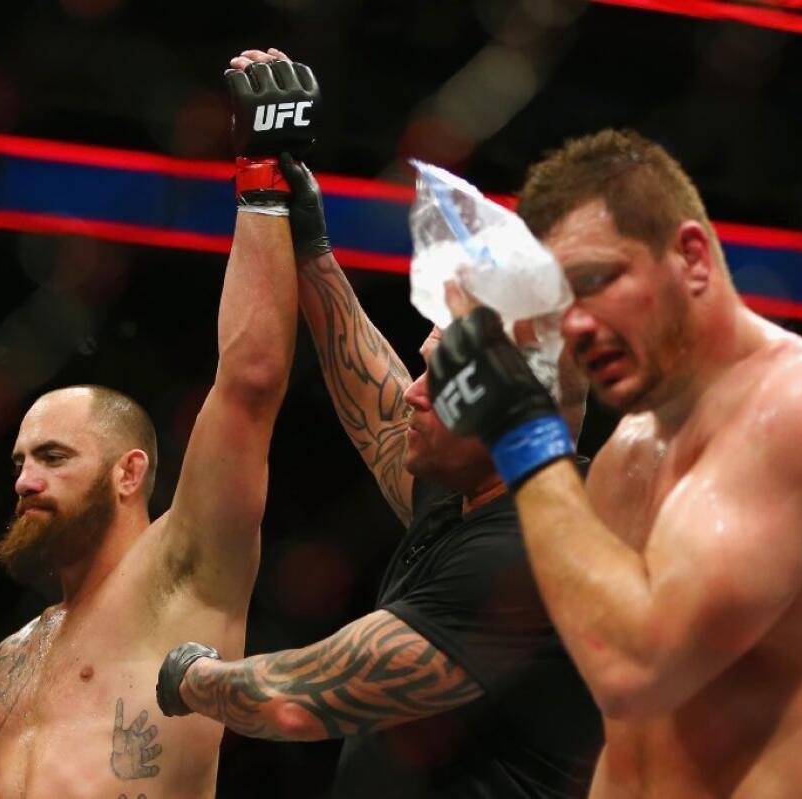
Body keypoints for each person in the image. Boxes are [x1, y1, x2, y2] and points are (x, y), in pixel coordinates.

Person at [155, 49, 601, 799]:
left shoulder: (526, 553)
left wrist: (184, 674)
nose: (413, 395)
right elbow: (380, 407)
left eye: (443, 381)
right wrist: (308, 239)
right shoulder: (484, 488)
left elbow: (298, 698)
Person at [427, 128, 802, 797]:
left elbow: (636, 668)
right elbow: (626, 726)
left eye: (596, 281)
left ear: (692, 258)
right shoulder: (627, 454)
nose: (578, 324)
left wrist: (521, 428)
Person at [0, 56, 320, 799]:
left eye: (55, 456)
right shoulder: (13, 656)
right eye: (21, 460)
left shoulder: (183, 573)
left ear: (129, 472)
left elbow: (249, 384)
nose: (25, 480)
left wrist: (261, 176)